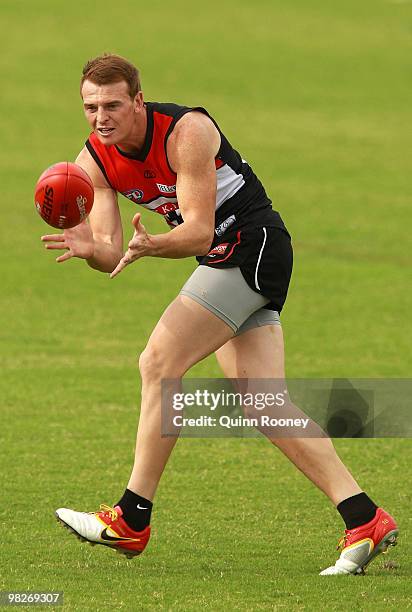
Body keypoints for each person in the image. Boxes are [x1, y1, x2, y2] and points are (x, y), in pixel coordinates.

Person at [42, 54, 398, 575]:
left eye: (113, 104)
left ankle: (131, 517)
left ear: (138, 101)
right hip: (227, 256)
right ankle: (364, 518)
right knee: (262, 403)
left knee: (159, 362)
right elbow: (109, 250)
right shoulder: (94, 159)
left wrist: (153, 244)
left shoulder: (187, 131)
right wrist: (86, 247)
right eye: (91, 107)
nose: (102, 117)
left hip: (251, 245)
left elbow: (200, 233)